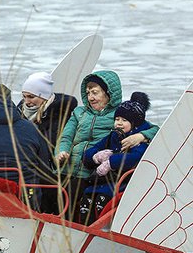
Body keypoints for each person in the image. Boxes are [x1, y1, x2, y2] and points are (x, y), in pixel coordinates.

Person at [55, 70, 158, 220]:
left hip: (92, 173)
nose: (90, 97)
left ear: (108, 93)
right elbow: (67, 136)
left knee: (79, 200)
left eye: (95, 92)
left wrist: (141, 136)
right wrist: (62, 151)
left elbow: (154, 129)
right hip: (71, 166)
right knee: (53, 193)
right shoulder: (80, 112)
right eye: (88, 92)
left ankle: (76, 232)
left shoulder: (120, 114)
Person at [75, 92, 155, 224]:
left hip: (121, 182)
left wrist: (111, 161)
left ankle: (100, 228)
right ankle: (84, 226)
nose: (119, 123)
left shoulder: (138, 140)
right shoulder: (114, 136)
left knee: (102, 199)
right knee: (87, 198)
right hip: (104, 180)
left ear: (135, 123)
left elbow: (135, 156)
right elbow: (91, 152)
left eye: (124, 120)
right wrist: (95, 156)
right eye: (117, 119)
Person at [17, 71, 79, 213]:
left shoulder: (61, 116)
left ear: (43, 96)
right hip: (25, 170)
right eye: (24, 96)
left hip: (48, 171)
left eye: (31, 97)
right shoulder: (19, 113)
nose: (27, 102)